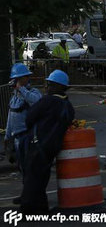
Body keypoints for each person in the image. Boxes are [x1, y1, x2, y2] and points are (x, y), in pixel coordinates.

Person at [20, 70, 74, 214]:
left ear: (56, 86)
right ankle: (41, 208)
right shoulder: (67, 105)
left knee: (32, 178)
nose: (47, 87)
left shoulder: (47, 101)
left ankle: (29, 209)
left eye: (49, 84)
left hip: (38, 144)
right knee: (42, 177)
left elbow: (29, 118)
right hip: (53, 147)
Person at [4, 63, 42, 204]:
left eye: (19, 79)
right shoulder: (14, 97)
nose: (16, 82)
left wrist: (22, 90)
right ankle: (26, 194)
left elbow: (37, 102)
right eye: (16, 79)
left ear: (26, 78)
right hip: (17, 138)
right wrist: (8, 136)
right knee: (23, 168)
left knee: (31, 168)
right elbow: (11, 116)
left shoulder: (32, 92)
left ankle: (34, 196)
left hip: (29, 136)